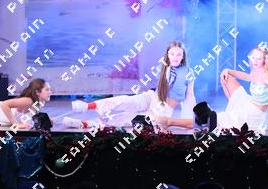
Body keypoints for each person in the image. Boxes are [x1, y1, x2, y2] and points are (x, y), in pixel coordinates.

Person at [63, 41, 195, 129]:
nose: (175, 57)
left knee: (127, 120)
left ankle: (84, 123)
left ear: (183, 56)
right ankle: (86, 106)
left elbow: (189, 96)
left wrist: (189, 116)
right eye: (172, 54)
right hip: (152, 97)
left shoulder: (188, 72)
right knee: (125, 101)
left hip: (163, 109)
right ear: (168, 54)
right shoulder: (162, 68)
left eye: (179, 54)